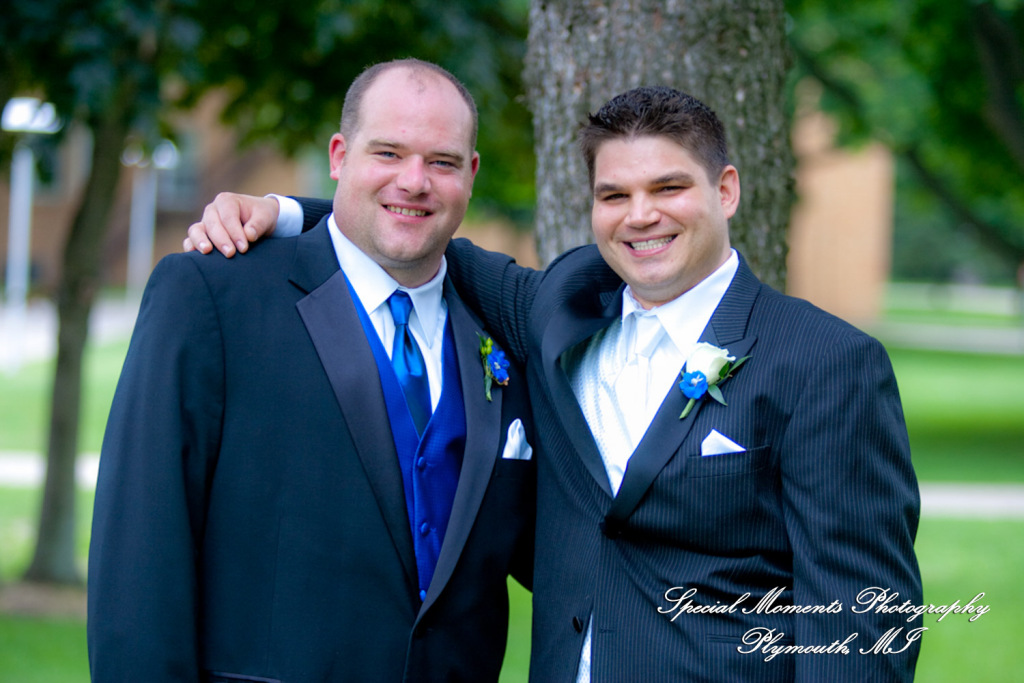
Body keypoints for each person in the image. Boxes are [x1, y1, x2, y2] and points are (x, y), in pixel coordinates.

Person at [188, 86, 922, 681]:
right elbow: (413, 222)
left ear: (725, 189)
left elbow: (866, 620)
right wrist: (286, 212)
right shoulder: (558, 310)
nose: (641, 216)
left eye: (669, 186)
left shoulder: (826, 362)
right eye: (615, 194)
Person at [88, 59, 536, 683]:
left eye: (442, 162)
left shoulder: (505, 329)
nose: (415, 181)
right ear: (338, 155)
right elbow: (139, 551)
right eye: (388, 152)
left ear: (472, 173)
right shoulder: (213, 294)